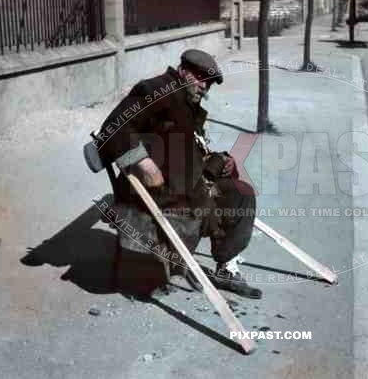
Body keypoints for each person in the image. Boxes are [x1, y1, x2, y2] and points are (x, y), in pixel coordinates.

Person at [97, 49, 262, 299]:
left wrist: (221, 161)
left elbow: (192, 147)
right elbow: (111, 130)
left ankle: (225, 267)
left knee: (241, 194)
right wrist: (142, 162)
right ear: (183, 71)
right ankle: (172, 261)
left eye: (209, 84)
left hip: (187, 185)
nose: (205, 88)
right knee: (203, 204)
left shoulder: (188, 104)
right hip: (153, 193)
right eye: (201, 79)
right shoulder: (155, 90)